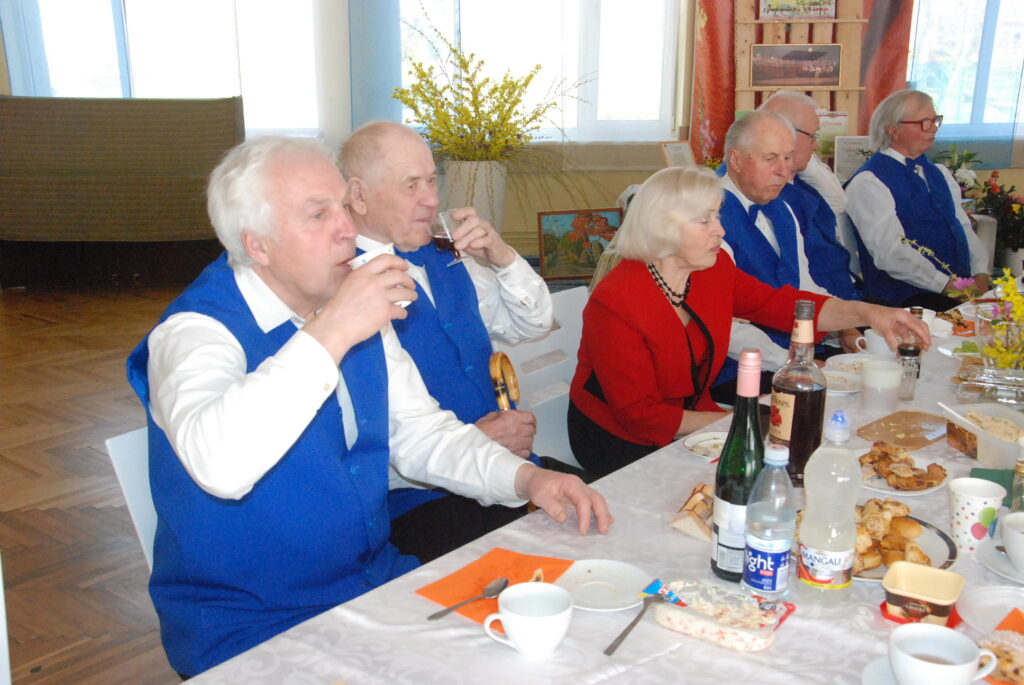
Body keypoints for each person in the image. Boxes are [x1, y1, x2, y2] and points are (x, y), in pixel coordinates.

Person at [125, 136, 611, 676]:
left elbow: (421, 433)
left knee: (548, 646)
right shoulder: (195, 332)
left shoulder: (342, 302)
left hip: (372, 583)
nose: (346, 229)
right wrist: (335, 327)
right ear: (257, 245)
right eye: (318, 214)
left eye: (342, 206)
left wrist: (525, 479)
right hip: (249, 624)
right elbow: (221, 466)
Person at [566, 166, 930, 480]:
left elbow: (781, 305)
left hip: (691, 419)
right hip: (618, 438)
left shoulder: (712, 270)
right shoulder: (617, 301)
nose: (720, 231)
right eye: (705, 220)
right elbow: (638, 415)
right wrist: (740, 421)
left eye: (718, 216)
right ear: (664, 227)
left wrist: (869, 313)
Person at [339, 121, 569, 563]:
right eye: (411, 185)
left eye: (432, 181)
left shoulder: (444, 256)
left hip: (507, 471)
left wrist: (502, 258)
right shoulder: (337, 289)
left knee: (604, 525)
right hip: (414, 504)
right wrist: (473, 440)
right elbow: (347, 448)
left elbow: (533, 324)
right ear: (359, 195)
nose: (431, 199)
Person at [714, 110, 860, 398]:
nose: (784, 171)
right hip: (733, 368)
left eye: (788, 157)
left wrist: (845, 325)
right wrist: (791, 363)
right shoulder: (710, 215)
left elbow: (805, 286)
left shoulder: (782, 209)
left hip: (790, 356)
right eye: (770, 159)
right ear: (736, 160)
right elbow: (722, 323)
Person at [846, 88, 991, 309]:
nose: (933, 128)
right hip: (906, 299)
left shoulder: (938, 173)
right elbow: (890, 252)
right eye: (924, 122)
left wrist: (980, 272)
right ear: (893, 130)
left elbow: (963, 228)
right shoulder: (869, 181)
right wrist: (948, 286)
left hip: (957, 289)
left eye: (935, 120)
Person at [760, 90, 862, 301]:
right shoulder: (765, 193)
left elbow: (839, 202)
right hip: (818, 308)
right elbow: (795, 283)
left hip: (841, 298)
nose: (816, 145)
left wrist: (797, 160)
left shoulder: (799, 182)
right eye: (813, 136)